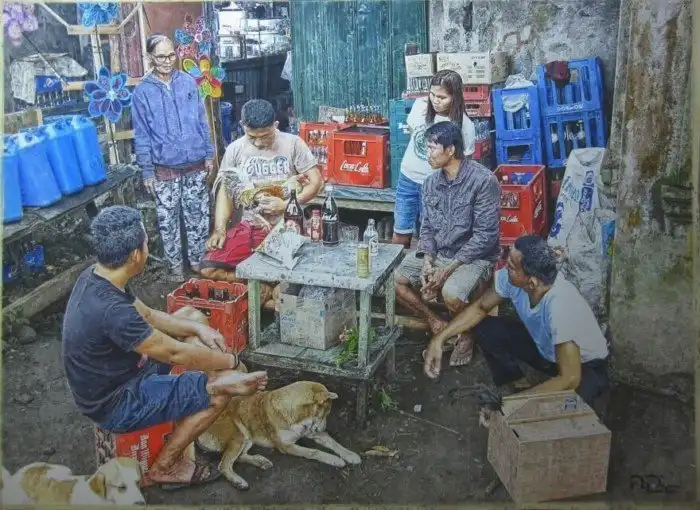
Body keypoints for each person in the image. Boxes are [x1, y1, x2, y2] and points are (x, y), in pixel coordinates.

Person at [61, 206, 269, 489]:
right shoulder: (112, 311)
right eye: (146, 243)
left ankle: (194, 393)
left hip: (116, 374)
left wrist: (198, 328)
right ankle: (166, 467)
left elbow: (148, 315)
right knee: (220, 393)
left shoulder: (98, 276)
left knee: (191, 316)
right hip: (116, 402)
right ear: (136, 255)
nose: (148, 248)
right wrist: (230, 362)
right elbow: (174, 352)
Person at [423, 235, 610, 407]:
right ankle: (514, 382)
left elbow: (570, 378)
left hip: (585, 366)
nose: (506, 268)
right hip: (546, 350)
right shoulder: (514, 279)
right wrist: (439, 339)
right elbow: (480, 308)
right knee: (484, 328)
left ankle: (519, 400)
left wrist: (511, 405)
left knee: (568, 412)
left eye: (511, 267)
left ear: (532, 282)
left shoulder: (560, 305)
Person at [395, 121, 500, 368]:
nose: (428, 154)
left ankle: (467, 334)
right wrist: (427, 261)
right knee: (392, 280)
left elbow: (485, 236)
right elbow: (427, 228)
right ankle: (436, 323)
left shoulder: (483, 181)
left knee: (451, 293)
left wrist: (447, 269)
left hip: (474, 257)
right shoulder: (430, 183)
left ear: (450, 150)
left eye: (433, 148)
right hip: (440, 254)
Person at [200, 99, 323, 307]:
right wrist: (219, 229)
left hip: (288, 227)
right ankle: (264, 291)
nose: (258, 142)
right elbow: (225, 191)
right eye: (252, 137)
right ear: (242, 126)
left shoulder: (293, 143)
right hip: (251, 227)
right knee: (208, 269)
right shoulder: (235, 149)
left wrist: (286, 205)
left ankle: (266, 295)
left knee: (300, 274)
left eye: (265, 136)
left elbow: (316, 182)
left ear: (275, 125)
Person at [132, 34, 215, 283]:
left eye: (171, 55)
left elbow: (202, 121)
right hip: (164, 168)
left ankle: (198, 263)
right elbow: (142, 134)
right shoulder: (142, 92)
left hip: (195, 164)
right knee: (168, 222)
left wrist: (209, 154)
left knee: (198, 216)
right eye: (161, 57)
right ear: (150, 57)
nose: (168, 61)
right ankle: (176, 269)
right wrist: (147, 170)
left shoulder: (188, 82)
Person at [393, 69, 476, 249]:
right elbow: (413, 136)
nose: (435, 100)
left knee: (430, 238)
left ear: (455, 97)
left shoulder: (465, 125)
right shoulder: (420, 106)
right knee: (400, 232)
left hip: (436, 187)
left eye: (442, 97)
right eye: (432, 94)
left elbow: (464, 165)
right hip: (408, 179)